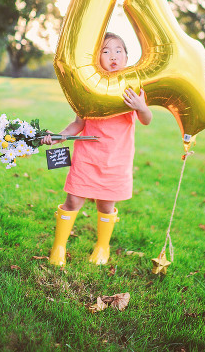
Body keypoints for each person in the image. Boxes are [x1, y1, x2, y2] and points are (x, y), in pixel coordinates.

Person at [42, 32, 152, 266]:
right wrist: (59, 137)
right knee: (73, 201)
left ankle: (103, 247)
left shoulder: (131, 87)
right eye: (106, 51)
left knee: (106, 204)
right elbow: (78, 123)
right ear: (96, 58)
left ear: (126, 57)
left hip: (116, 159)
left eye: (118, 50)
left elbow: (146, 119)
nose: (113, 55)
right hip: (87, 157)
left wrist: (141, 106)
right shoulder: (90, 89)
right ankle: (59, 247)